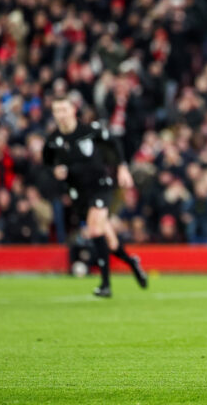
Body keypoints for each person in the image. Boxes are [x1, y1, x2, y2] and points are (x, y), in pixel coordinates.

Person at [43, 95, 148, 297]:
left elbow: (115, 144)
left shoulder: (90, 131)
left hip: (101, 187)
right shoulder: (54, 140)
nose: (61, 115)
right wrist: (56, 170)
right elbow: (48, 163)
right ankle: (132, 262)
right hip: (79, 195)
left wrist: (122, 168)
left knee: (93, 229)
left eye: (64, 110)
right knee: (110, 242)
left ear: (73, 110)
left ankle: (105, 285)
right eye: (57, 111)